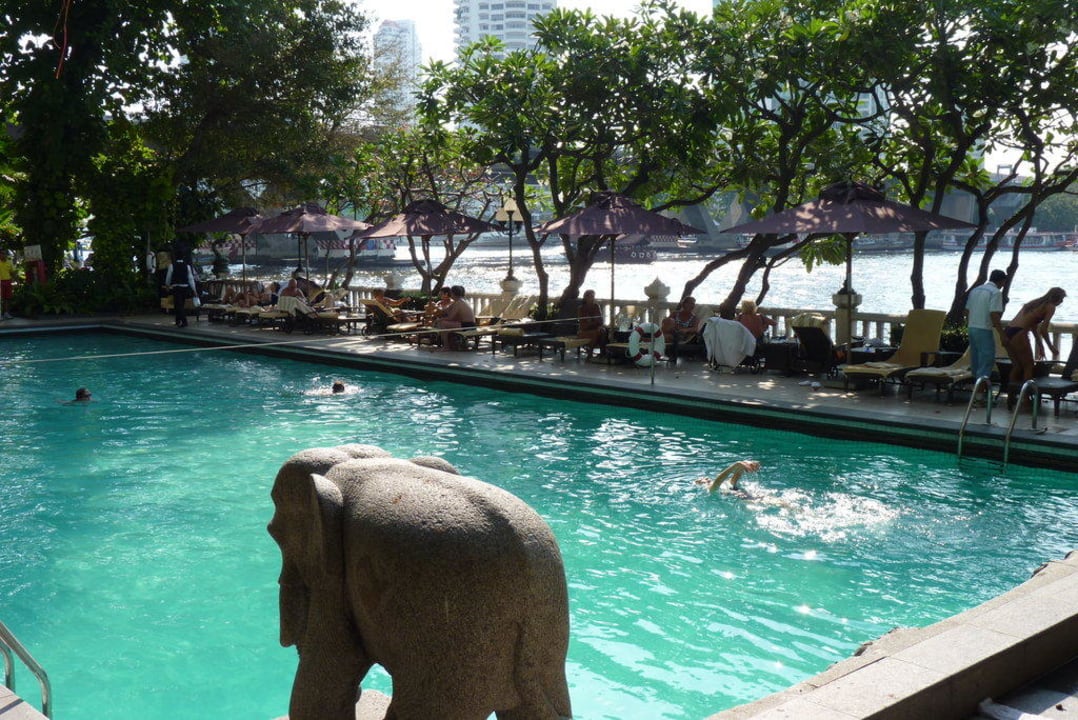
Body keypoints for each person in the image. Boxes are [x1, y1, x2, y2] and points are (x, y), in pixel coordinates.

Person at [1002, 286, 1066, 408]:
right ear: (1057, 298)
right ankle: (1026, 399)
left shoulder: (1035, 303)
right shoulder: (1050, 306)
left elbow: (1033, 326)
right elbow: (1043, 329)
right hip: (1019, 334)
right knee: (1028, 366)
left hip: (1009, 332)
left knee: (1017, 366)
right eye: (1062, 299)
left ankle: (1010, 398)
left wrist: (1040, 346)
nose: (1061, 302)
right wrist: (1050, 346)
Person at [964, 269, 1007, 405]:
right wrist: (1002, 334)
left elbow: (967, 311)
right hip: (984, 329)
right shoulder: (995, 293)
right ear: (1001, 281)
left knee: (976, 362)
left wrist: (970, 324)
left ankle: (977, 394)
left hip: (972, 328)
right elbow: (994, 315)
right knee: (986, 362)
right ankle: (980, 397)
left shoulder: (976, 290)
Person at [164, 250, 198, 328]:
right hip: (185, 287)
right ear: (183, 257)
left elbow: (168, 278)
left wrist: (167, 286)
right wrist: (194, 290)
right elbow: (191, 279)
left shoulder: (172, 265)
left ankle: (183, 321)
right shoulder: (187, 266)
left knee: (178, 305)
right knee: (180, 304)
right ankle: (178, 320)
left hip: (176, 287)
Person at [695, 460, 761, 493]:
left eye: (706, 478)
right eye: (702, 479)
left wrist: (747, 464)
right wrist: (737, 464)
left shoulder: (726, 483)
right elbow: (719, 479)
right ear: (701, 483)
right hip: (743, 499)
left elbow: (736, 475)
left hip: (746, 495)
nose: (706, 478)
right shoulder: (710, 489)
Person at [577, 289, 608, 358]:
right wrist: (594, 322)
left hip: (596, 328)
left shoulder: (596, 306)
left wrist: (597, 324)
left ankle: (603, 352)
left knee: (603, 330)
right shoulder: (581, 308)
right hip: (584, 331)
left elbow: (600, 320)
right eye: (591, 296)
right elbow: (583, 324)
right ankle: (590, 352)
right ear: (586, 297)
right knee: (596, 333)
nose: (593, 298)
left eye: (593, 296)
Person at [0, 249, 14, 320]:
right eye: (2, 253)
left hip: (8, 281)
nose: (3, 255)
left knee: (7, 298)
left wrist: (16, 281)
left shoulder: (9, 262)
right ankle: (0, 314)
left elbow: (12, 272)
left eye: (5, 254)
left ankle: (6, 313)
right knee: (1, 298)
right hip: (0, 282)